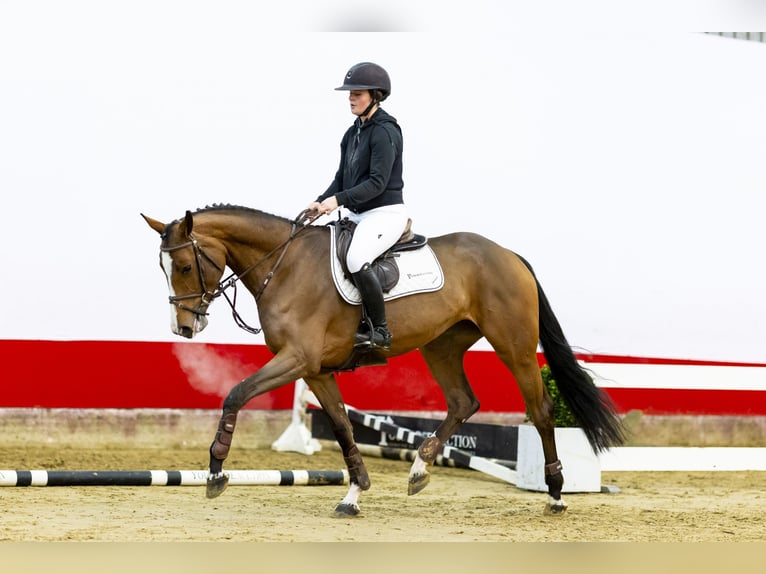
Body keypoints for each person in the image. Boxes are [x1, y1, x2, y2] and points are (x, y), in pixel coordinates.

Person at [307, 62, 408, 351]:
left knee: (355, 259)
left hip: (385, 213)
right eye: (349, 94)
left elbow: (377, 183)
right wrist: (320, 201)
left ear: (375, 95)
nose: (351, 98)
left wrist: (337, 201)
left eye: (357, 94)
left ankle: (380, 330)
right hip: (357, 213)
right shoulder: (352, 133)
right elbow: (342, 179)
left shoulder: (385, 131)